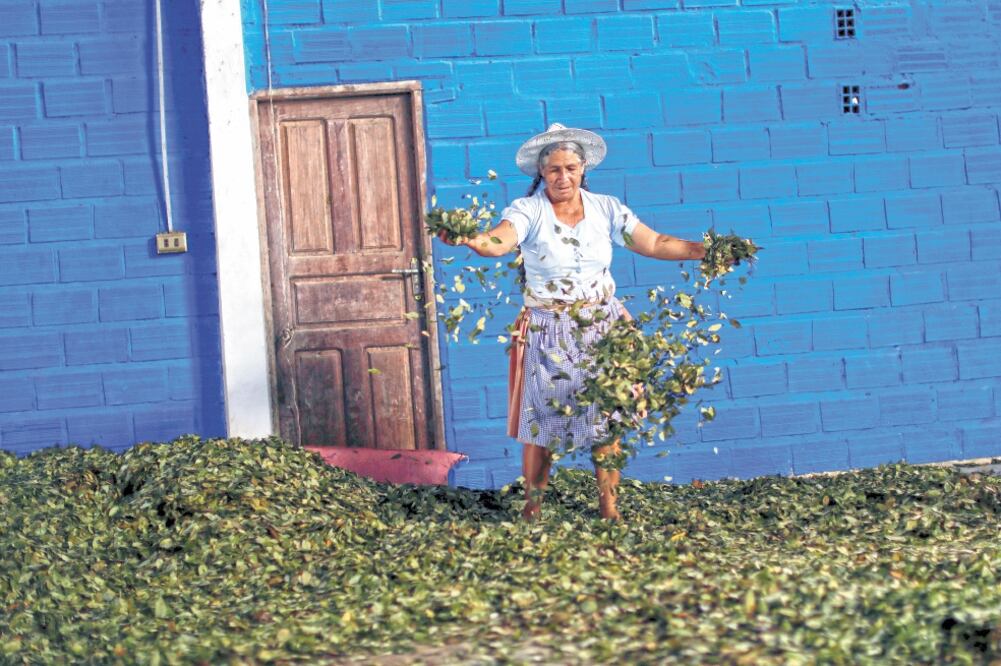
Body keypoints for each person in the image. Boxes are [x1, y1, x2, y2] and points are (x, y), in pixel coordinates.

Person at [438, 123, 709, 522]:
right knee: (541, 425)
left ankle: (609, 507)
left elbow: (653, 242)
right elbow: (500, 241)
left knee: (607, 420)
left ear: (583, 169)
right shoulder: (528, 211)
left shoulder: (606, 208)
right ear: (541, 174)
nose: (562, 177)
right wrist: (469, 239)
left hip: (603, 326)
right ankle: (532, 509)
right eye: (553, 170)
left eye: (570, 168)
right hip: (548, 326)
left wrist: (705, 250)